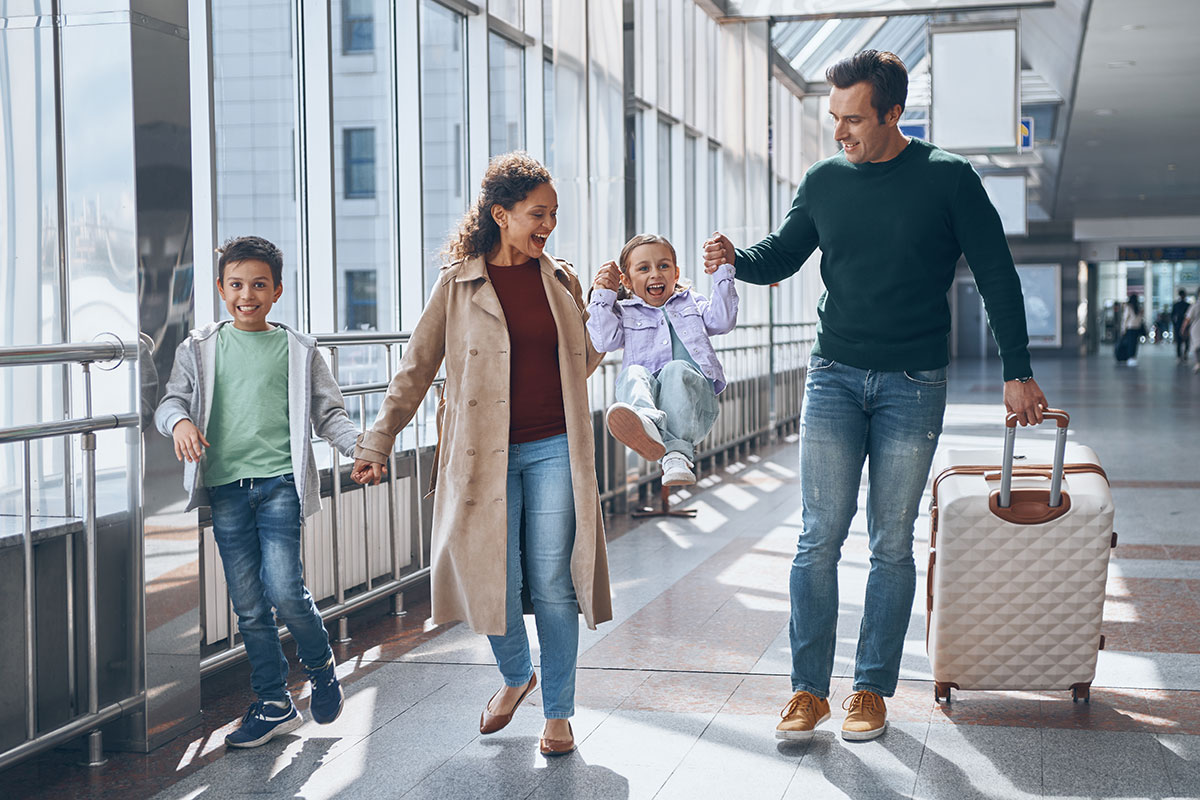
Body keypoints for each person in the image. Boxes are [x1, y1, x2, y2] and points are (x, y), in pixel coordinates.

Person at [702, 49, 1047, 742]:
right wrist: (734, 258)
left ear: (894, 114)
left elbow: (998, 276)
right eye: (833, 118)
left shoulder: (949, 180)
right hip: (833, 375)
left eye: (853, 119)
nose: (839, 132)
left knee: (890, 542)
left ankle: (869, 689)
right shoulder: (825, 181)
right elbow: (784, 254)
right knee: (817, 538)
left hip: (913, 384)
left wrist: (1018, 370)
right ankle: (807, 691)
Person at [350, 152, 611, 756]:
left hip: (553, 447)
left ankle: (559, 715)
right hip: (480, 456)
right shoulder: (458, 284)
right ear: (502, 214)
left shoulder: (560, 279)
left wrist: (601, 305)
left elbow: (585, 362)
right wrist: (378, 441)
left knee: (551, 581)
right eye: (536, 214)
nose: (547, 225)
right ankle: (518, 675)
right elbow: (415, 369)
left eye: (552, 215)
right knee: (492, 576)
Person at [156, 236, 356, 748]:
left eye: (260, 285)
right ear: (222, 290)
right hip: (225, 490)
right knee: (248, 604)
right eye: (237, 284)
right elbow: (170, 401)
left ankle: (321, 667)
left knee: (286, 589)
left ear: (277, 290)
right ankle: (272, 702)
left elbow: (329, 413)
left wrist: (360, 448)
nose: (248, 294)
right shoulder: (198, 347)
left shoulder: (299, 349)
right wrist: (178, 422)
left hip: (279, 486)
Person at [586, 233, 739, 485]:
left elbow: (723, 321)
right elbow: (604, 341)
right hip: (651, 401)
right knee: (633, 373)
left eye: (663, 266)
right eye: (644, 268)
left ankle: (671, 444)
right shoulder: (624, 313)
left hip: (693, 400)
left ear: (675, 273)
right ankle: (652, 428)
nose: (655, 274)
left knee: (676, 369)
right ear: (626, 280)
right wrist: (603, 294)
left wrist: (722, 272)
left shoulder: (691, 302)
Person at [1121, 295, 1145, 366]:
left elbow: (1125, 319)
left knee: (1130, 343)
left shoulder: (1128, 307)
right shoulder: (1138, 308)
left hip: (1130, 328)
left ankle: (1130, 358)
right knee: (1134, 343)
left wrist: (1123, 329)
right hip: (1136, 328)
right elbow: (1140, 319)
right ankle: (1133, 357)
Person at [1172, 289, 1191, 362]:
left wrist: (1175, 324)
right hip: (1186, 325)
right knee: (1186, 341)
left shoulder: (1176, 305)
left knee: (1179, 342)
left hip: (1179, 325)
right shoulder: (1188, 305)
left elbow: (1172, 316)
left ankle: (1179, 356)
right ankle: (1184, 354)